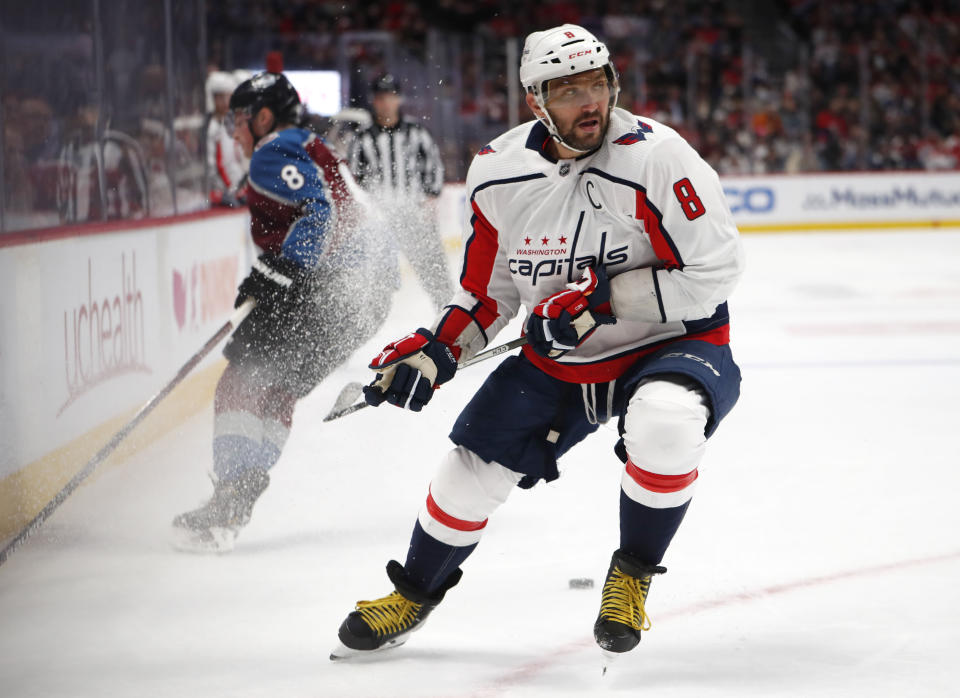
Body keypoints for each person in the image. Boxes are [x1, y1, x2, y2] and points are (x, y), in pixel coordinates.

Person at [330, 24, 744, 666]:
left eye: (597, 84)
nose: (590, 103)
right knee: (467, 473)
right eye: (568, 89)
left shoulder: (660, 158)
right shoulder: (497, 173)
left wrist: (602, 301)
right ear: (535, 100)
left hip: (670, 342)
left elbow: (715, 273)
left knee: (666, 421)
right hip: (563, 361)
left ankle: (631, 575)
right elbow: (486, 295)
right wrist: (438, 350)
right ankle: (414, 594)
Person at [172, 72, 387, 553]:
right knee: (280, 390)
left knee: (240, 382)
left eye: (241, 118)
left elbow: (320, 210)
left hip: (325, 286)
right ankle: (244, 486)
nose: (234, 130)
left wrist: (284, 267)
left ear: (264, 117)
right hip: (363, 299)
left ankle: (231, 491)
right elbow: (349, 211)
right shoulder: (312, 144)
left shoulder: (273, 149)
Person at [347, 73, 454, 311]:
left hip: (415, 215)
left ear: (398, 99)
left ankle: (448, 319)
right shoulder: (362, 139)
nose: (386, 103)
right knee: (376, 280)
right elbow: (356, 180)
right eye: (381, 97)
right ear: (374, 101)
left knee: (436, 276)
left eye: (391, 97)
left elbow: (434, 166)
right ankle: (370, 320)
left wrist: (430, 197)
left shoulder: (417, 133)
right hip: (382, 219)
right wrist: (368, 210)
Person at [204, 71, 249, 206]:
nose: (225, 102)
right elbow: (216, 165)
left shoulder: (230, 123)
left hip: (238, 187)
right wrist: (230, 190)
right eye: (220, 97)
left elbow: (237, 159)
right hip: (224, 191)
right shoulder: (212, 127)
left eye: (227, 97)